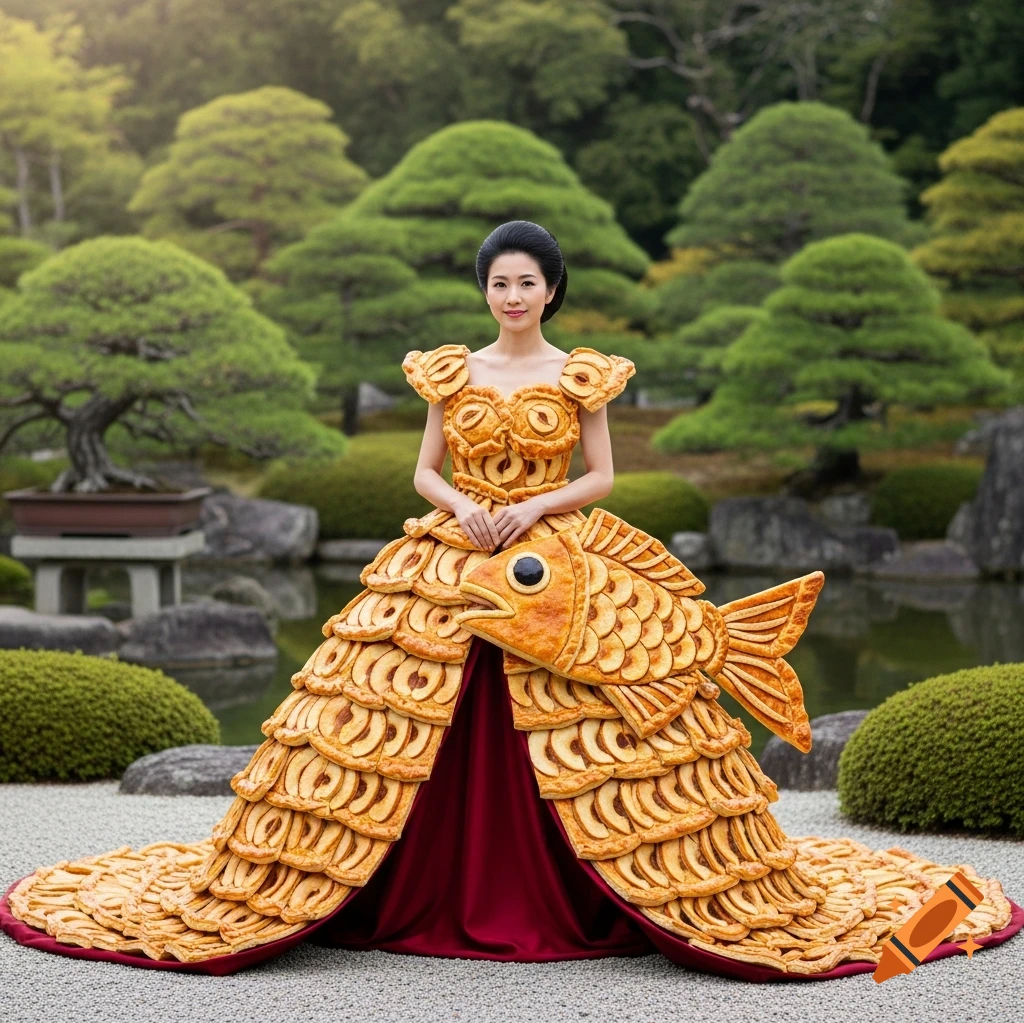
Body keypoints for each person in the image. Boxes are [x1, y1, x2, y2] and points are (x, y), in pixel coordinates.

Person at [2, 221, 1017, 980]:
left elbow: (602, 476)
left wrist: (530, 506)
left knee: (610, 714)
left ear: (551, 289)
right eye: (499, 281)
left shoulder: (581, 376)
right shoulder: (453, 372)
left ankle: (598, 887)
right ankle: (385, 881)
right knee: (380, 722)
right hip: (457, 552)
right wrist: (466, 509)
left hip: (556, 555)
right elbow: (424, 471)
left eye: (527, 281)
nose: (513, 294)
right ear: (484, 290)